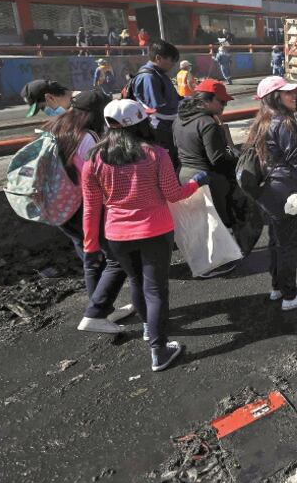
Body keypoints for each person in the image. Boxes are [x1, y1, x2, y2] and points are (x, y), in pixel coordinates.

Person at [82, 99, 207, 371]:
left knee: (136, 283)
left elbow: (91, 209)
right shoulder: (155, 154)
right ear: (139, 122)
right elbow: (173, 194)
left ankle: (150, 331)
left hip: (117, 234)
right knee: (156, 290)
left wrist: (90, 244)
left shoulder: (93, 160)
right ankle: (159, 350)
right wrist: (195, 183)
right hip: (156, 231)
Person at [46, 90, 132, 334]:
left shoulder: (57, 128)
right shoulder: (87, 138)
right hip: (83, 207)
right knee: (116, 258)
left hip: (60, 206)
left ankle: (102, 308)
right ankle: (96, 313)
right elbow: (97, 176)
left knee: (90, 258)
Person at [242, 76, 297, 311]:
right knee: (289, 244)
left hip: (270, 189)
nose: (293, 95)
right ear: (274, 97)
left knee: (277, 240)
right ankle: (290, 295)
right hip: (290, 190)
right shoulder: (284, 122)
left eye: (293, 92)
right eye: (287, 93)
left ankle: (278, 287)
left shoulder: (261, 122)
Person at [173, 79, 238, 232]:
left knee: (196, 224)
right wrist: (236, 160)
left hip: (183, 176)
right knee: (216, 224)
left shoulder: (179, 119)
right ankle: (223, 255)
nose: (224, 106)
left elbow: (176, 146)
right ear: (205, 100)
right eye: (221, 102)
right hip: (206, 180)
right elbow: (217, 159)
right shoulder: (207, 124)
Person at [131, 41, 182, 165]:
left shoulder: (159, 74)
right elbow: (157, 107)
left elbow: (173, 98)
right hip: (159, 128)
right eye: (172, 60)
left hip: (167, 126)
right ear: (158, 58)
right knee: (168, 163)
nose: (173, 64)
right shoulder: (149, 77)